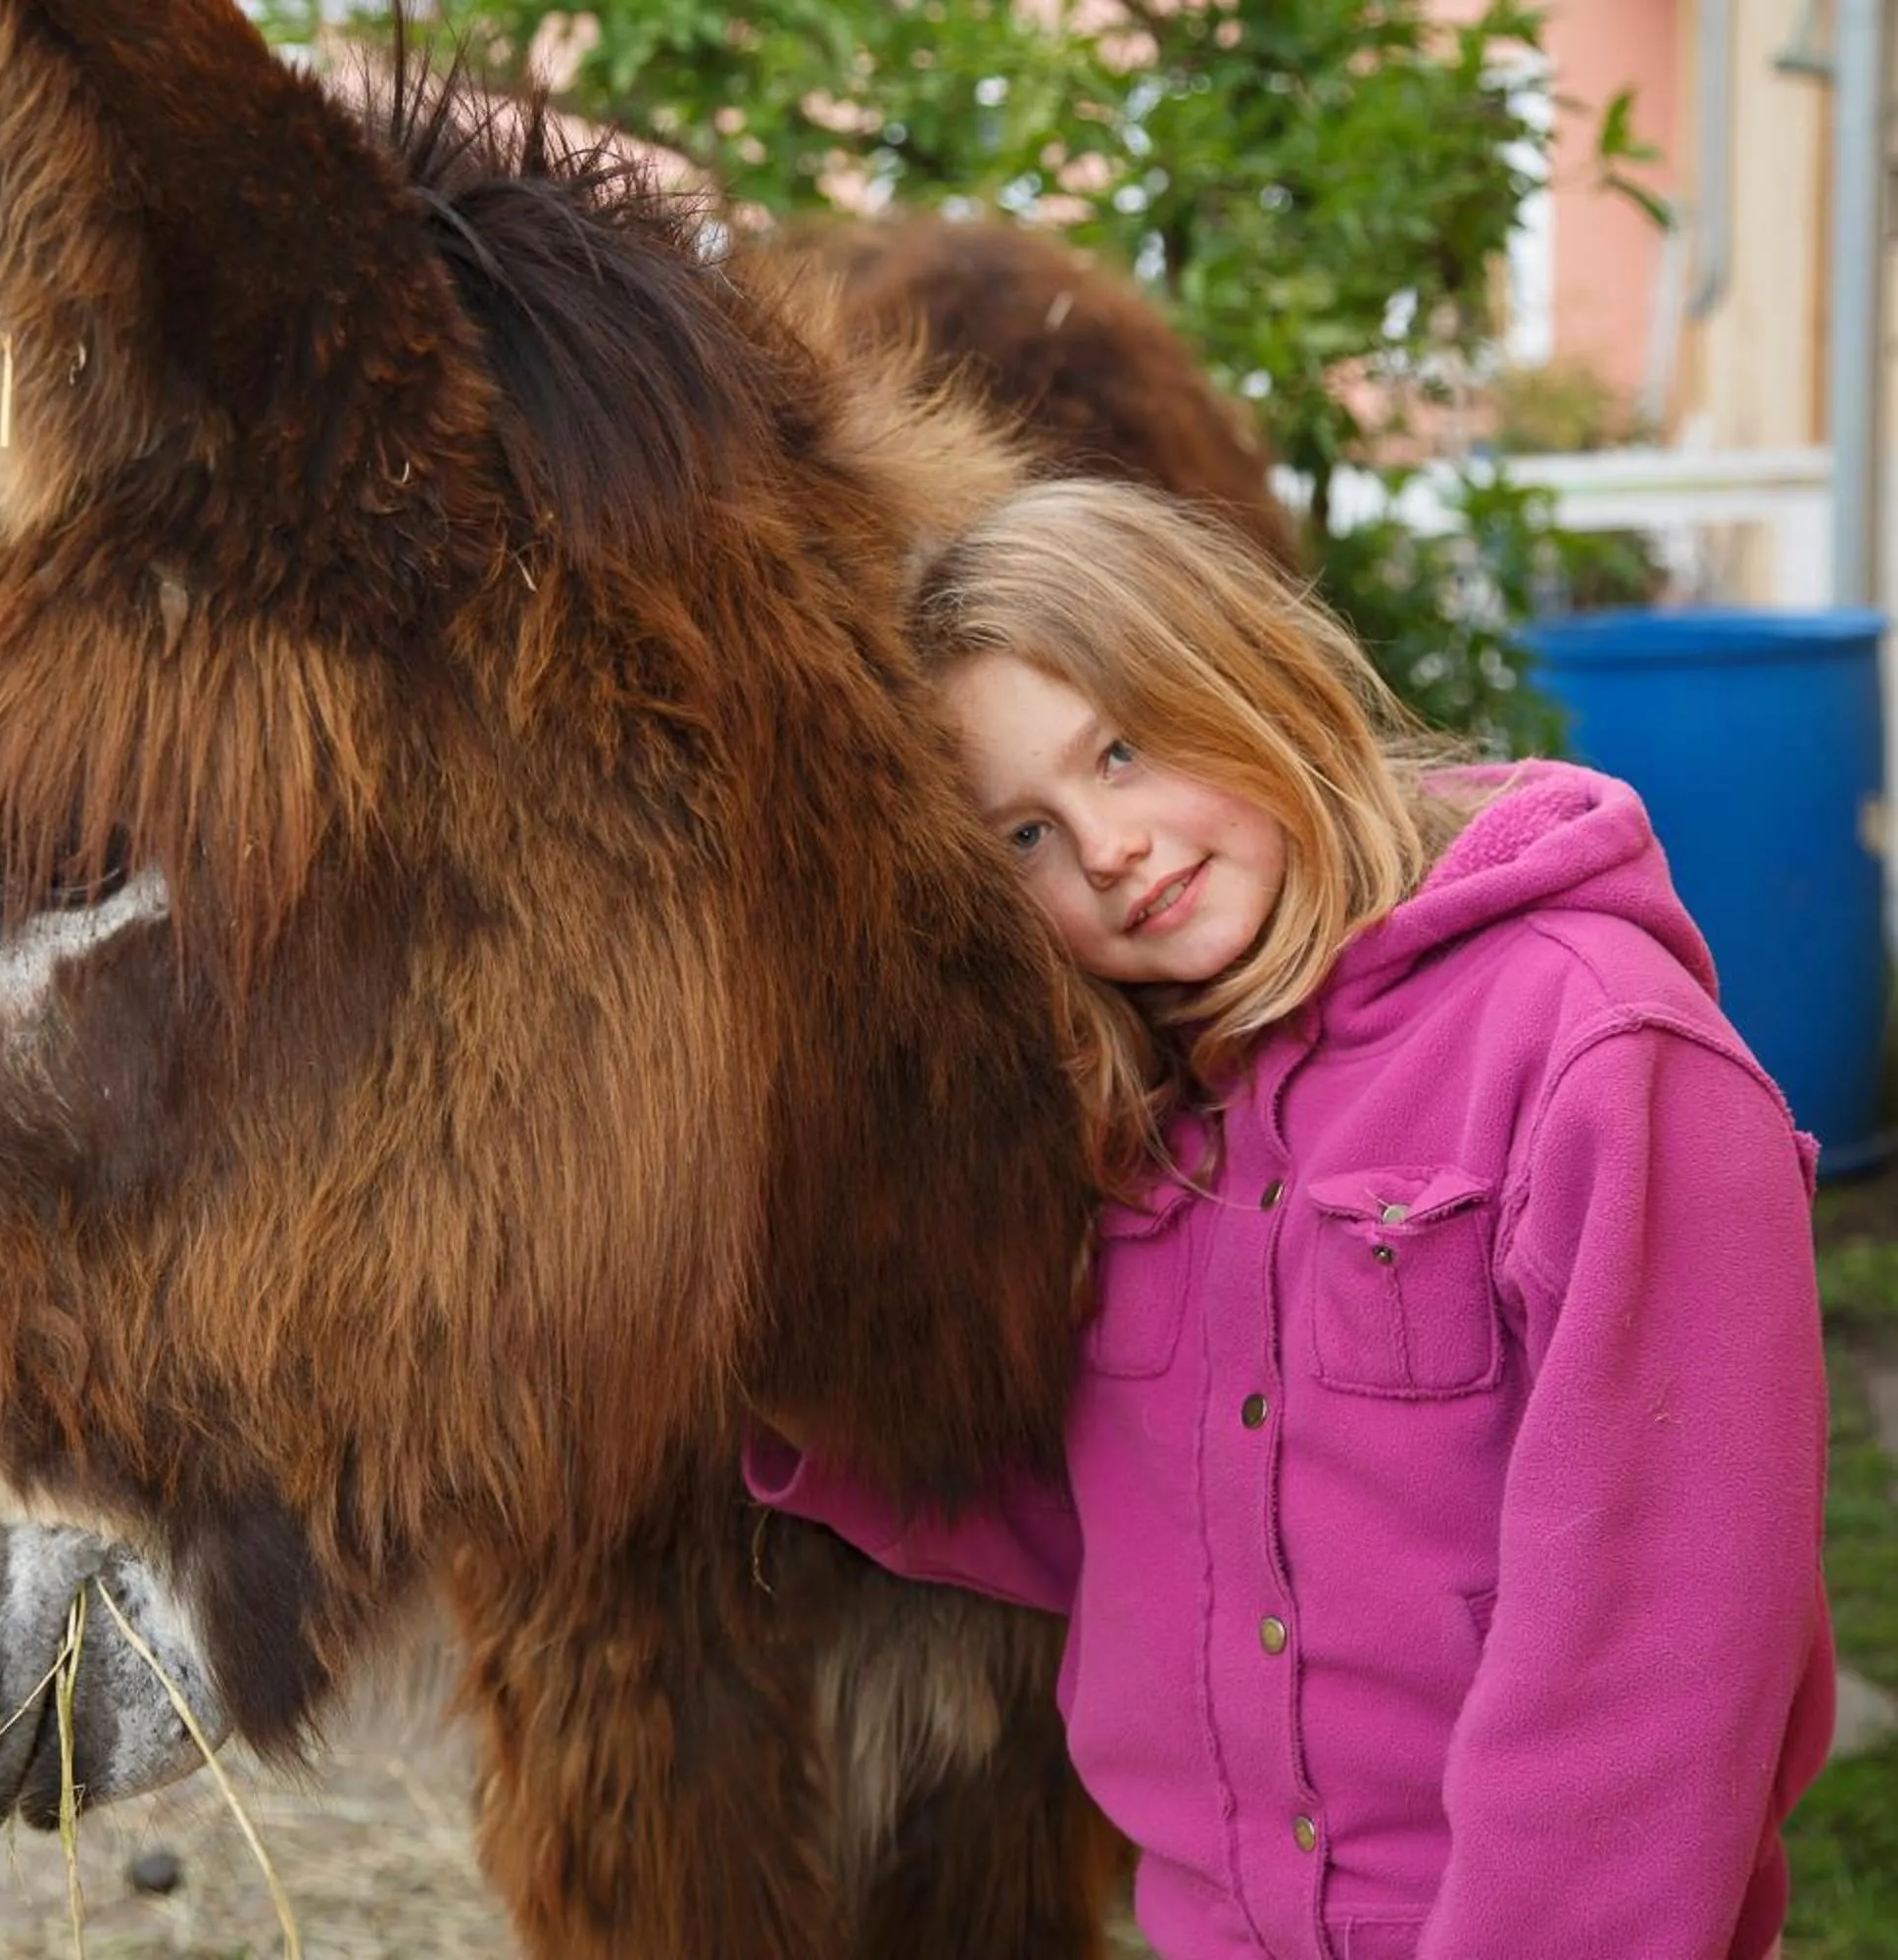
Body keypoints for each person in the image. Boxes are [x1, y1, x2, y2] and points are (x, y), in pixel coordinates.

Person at [750, 478, 1833, 1959]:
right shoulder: (1152, 1124)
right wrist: (777, 1375)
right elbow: (1133, 1532)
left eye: (1121, 752)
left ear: (1238, 668)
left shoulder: (1598, 1059)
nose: (1107, 848)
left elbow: (1662, 1661)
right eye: (1026, 838)